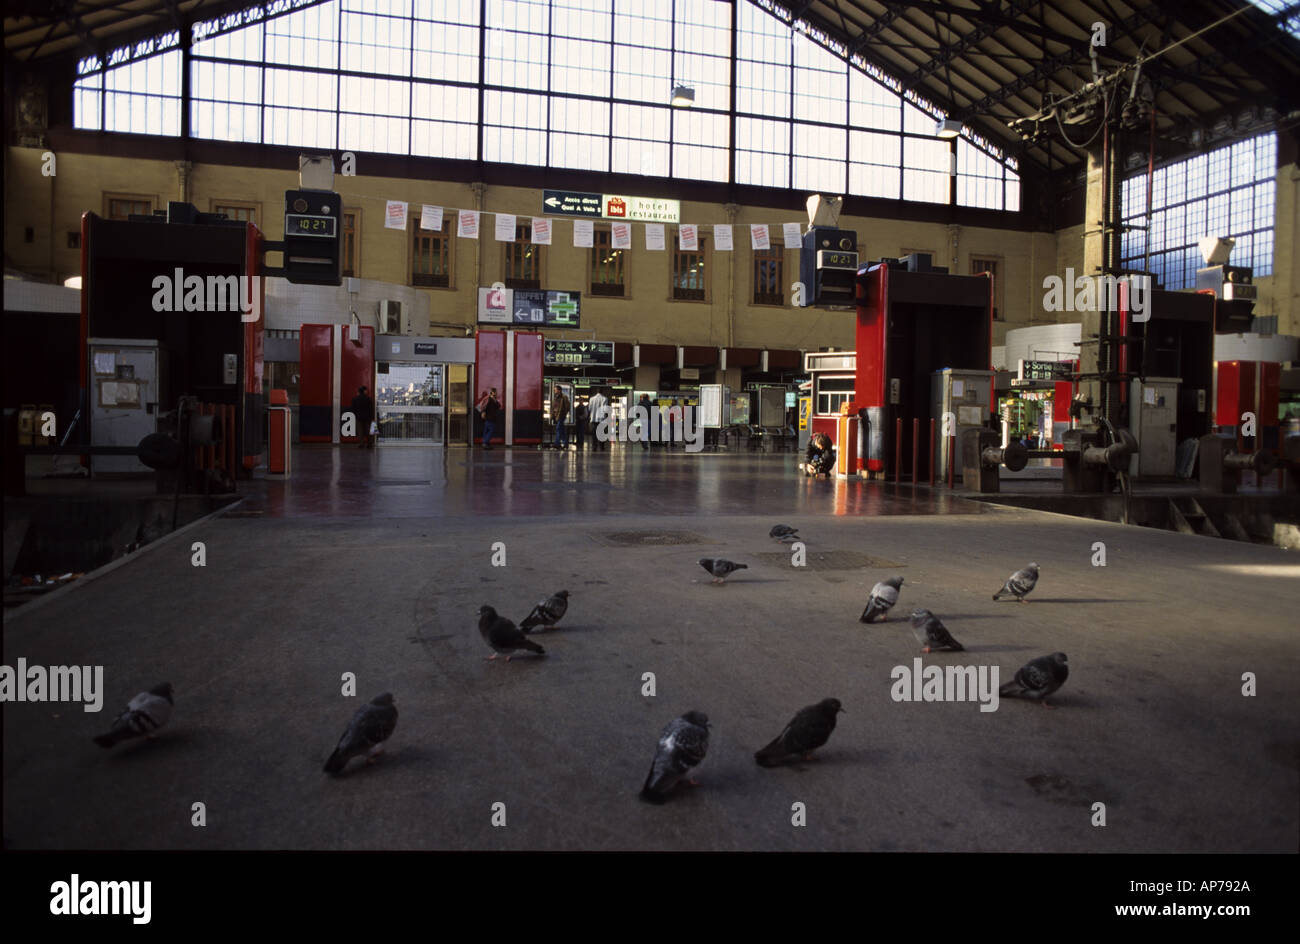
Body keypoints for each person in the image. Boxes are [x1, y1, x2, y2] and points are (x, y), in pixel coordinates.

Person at [351, 385, 375, 450]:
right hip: (368, 418)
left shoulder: (355, 399)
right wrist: (372, 417)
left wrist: (356, 415)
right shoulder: (368, 399)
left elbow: (353, 409)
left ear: (359, 392)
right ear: (364, 391)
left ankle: (361, 443)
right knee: (368, 431)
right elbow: (371, 409)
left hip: (359, 417)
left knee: (360, 431)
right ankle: (369, 444)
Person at [551, 385, 570, 449]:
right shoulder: (555, 397)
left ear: (559, 390)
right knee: (561, 430)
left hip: (561, 416)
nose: (554, 391)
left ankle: (557, 443)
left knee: (558, 429)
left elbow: (567, 407)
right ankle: (565, 443)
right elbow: (553, 407)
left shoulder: (564, 397)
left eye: (555, 389)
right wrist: (552, 415)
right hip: (556, 416)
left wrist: (563, 414)